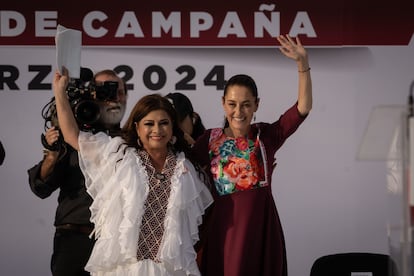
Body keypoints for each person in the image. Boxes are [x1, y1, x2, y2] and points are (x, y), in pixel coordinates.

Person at [52, 67, 214, 276]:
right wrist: (59, 93)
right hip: (124, 268)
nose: (157, 130)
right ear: (137, 127)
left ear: (173, 127)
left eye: (164, 123)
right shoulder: (120, 155)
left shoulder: (186, 168)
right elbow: (73, 136)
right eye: (149, 124)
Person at [191, 34, 313, 276]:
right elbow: (184, 173)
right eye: (233, 104)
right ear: (224, 104)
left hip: (260, 232)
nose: (239, 111)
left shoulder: (265, 136)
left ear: (256, 104)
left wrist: (303, 65)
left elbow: (302, 109)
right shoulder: (208, 140)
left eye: (246, 104)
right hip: (221, 232)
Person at [28, 69, 128, 276]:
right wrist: (51, 155)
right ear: (89, 93)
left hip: (118, 243)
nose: (113, 98)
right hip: (74, 240)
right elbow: (41, 186)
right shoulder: (72, 136)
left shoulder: (135, 140)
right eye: (104, 91)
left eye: (118, 91)